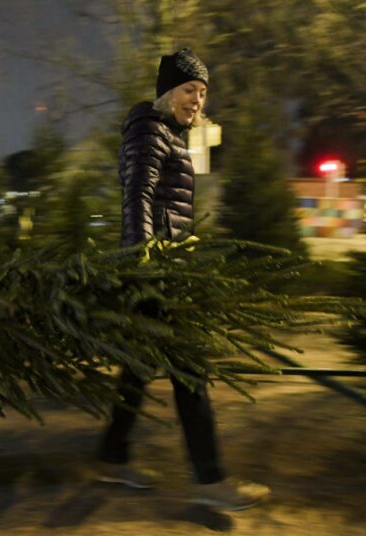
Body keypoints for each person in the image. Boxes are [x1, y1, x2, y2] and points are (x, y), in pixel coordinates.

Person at [97, 49, 271, 510]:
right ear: (168, 92)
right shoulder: (149, 130)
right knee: (188, 371)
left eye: (202, 93)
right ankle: (211, 481)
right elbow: (137, 194)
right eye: (190, 90)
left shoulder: (173, 136)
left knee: (137, 368)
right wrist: (145, 259)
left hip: (164, 266)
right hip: (153, 272)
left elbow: (168, 207)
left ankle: (112, 457)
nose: (197, 100)